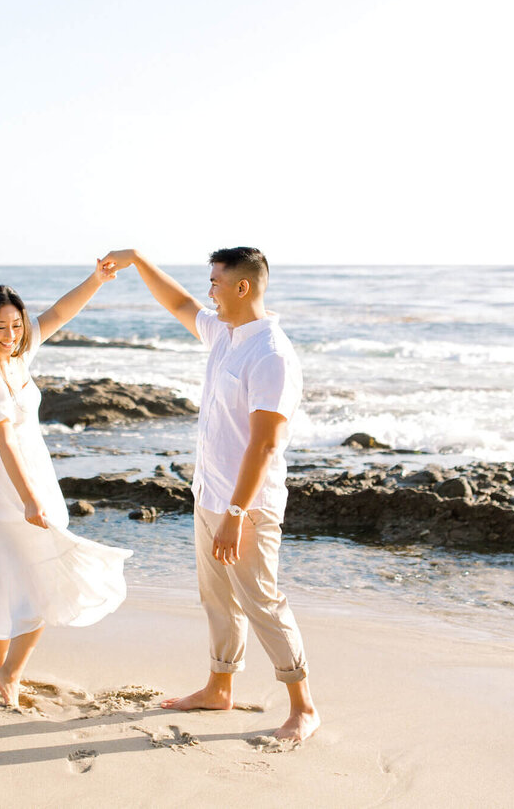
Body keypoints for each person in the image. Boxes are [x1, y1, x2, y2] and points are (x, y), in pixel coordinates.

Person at [99, 247, 320, 743]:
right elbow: (177, 304)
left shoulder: (271, 355)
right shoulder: (225, 333)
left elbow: (264, 443)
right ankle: (219, 687)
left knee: (262, 601)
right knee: (217, 598)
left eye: (216, 283)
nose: (209, 291)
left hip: (249, 506)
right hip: (211, 496)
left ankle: (304, 707)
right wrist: (136, 260)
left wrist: (237, 512)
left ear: (243, 287)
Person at [0, 265, 131, 708]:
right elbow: (6, 443)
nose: (11, 334)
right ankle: (10, 672)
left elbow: (58, 314)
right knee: (42, 580)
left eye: (16, 325)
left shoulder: (16, 359)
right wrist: (31, 499)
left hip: (35, 475)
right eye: (1, 328)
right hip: (9, 487)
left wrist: (96, 280)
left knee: (10, 578)